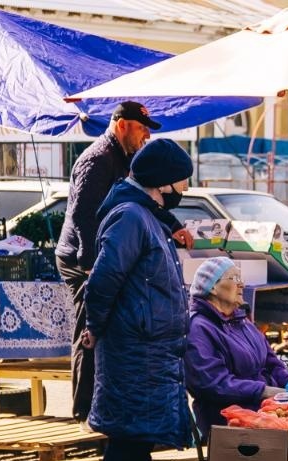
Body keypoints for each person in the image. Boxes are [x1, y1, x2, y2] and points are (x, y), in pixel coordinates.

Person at [82, 139, 194, 461]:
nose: (184, 187)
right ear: (162, 180)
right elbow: (104, 280)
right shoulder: (130, 216)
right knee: (127, 438)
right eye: (181, 179)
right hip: (133, 349)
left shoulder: (147, 215)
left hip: (151, 351)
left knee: (141, 438)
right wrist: (94, 326)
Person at [55, 101, 192, 424]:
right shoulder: (97, 159)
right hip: (81, 256)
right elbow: (82, 215)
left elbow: (143, 196)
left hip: (105, 250)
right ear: (121, 125)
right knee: (90, 327)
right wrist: (91, 262)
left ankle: (104, 405)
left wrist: (173, 226)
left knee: (109, 322)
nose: (146, 135)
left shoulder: (129, 159)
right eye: (142, 128)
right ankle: (84, 410)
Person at [185, 257, 288, 440]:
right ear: (212, 287)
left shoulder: (242, 322)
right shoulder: (198, 328)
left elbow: (271, 362)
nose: (242, 284)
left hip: (266, 414)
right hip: (227, 424)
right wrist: (263, 390)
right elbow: (212, 383)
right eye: (235, 278)